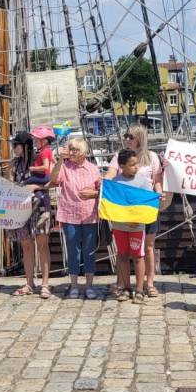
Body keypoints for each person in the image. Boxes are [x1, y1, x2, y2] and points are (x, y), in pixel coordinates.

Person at [105, 124, 163, 298]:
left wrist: (158, 195)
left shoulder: (151, 157)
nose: (127, 139)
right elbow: (111, 174)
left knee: (148, 247)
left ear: (140, 138)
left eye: (131, 136)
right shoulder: (119, 156)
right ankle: (123, 284)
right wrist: (104, 185)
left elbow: (157, 181)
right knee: (123, 252)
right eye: (126, 136)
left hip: (145, 207)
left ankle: (149, 283)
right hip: (125, 209)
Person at [49, 136, 102, 299]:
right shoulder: (65, 167)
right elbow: (54, 180)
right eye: (70, 149)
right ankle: (73, 285)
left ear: (84, 152)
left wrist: (94, 193)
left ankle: (89, 285)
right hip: (69, 214)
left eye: (75, 149)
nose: (71, 152)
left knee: (89, 251)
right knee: (73, 251)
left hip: (89, 215)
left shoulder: (93, 168)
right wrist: (59, 160)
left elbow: (102, 189)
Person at [8, 131, 53, 299]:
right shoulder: (17, 164)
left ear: (24, 146)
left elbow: (51, 180)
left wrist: (35, 187)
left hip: (39, 205)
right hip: (22, 206)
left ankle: (45, 283)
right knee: (26, 245)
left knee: (42, 244)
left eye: (16, 145)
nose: (13, 148)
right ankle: (29, 282)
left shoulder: (38, 159)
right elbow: (13, 183)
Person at [110, 148, 152, 304]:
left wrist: (138, 219)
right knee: (122, 256)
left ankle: (140, 290)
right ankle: (126, 288)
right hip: (119, 226)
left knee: (138, 256)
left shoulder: (143, 181)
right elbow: (112, 204)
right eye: (132, 164)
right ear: (122, 165)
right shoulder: (114, 183)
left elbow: (147, 204)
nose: (136, 167)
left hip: (136, 226)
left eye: (137, 164)